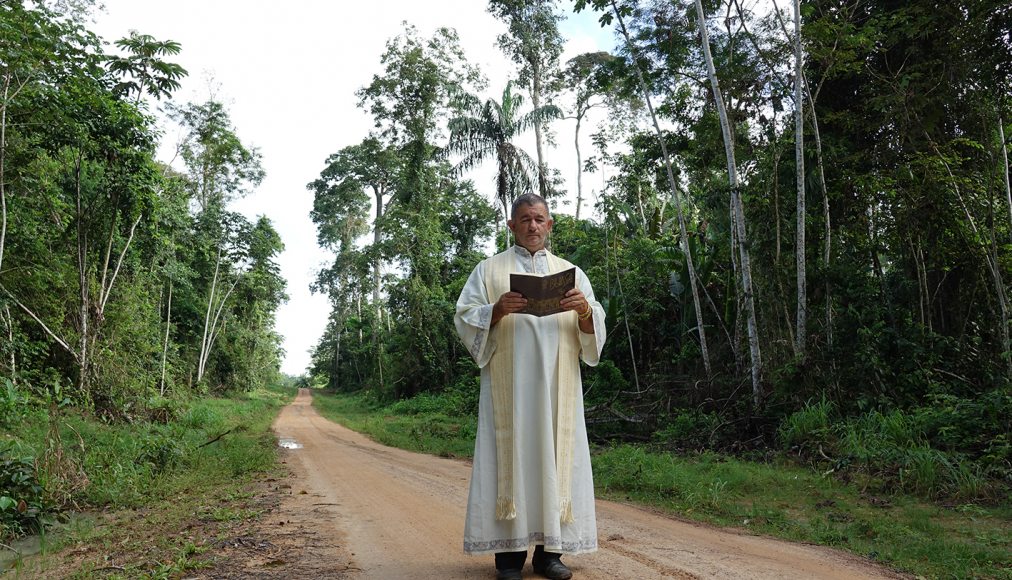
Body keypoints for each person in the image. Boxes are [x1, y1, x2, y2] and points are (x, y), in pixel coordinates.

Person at [454, 193, 606, 580]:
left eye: (539, 219)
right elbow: (465, 317)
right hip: (511, 391)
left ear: (550, 224)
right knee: (513, 459)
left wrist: (584, 310)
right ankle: (508, 558)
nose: (532, 226)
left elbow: (594, 329)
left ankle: (548, 555)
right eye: (524, 219)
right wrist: (496, 309)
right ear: (511, 226)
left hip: (558, 387)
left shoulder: (570, 272)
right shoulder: (489, 271)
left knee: (556, 459)